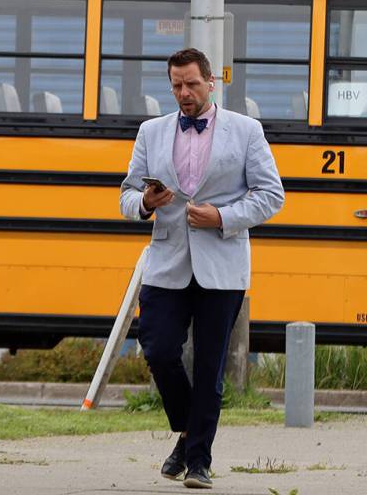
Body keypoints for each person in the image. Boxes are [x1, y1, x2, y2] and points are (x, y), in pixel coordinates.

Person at [119, 47, 284, 489]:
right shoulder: (151, 131)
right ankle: (189, 431)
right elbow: (126, 194)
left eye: (192, 84)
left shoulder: (246, 131)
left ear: (212, 82)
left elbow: (272, 195)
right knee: (157, 350)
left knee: (210, 367)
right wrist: (144, 203)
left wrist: (223, 218)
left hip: (222, 265)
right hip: (166, 262)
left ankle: (198, 462)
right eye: (176, 85)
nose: (184, 93)